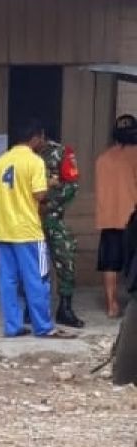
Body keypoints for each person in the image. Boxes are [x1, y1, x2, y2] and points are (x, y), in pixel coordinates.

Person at [0, 120, 75, 339]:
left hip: (3, 231)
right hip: (28, 231)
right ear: (35, 138)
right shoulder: (34, 161)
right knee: (38, 278)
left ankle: (12, 326)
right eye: (41, 139)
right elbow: (38, 195)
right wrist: (51, 184)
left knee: (8, 281)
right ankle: (44, 327)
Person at [94, 114, 137, 319]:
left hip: (109, 218)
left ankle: (112, 305)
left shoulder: (102, 159)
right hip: (132, 218)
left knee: (110, 263)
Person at [39, 136, 84, 327]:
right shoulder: (20, 154)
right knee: (31, 265)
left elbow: (72, 186)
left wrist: (48, 204)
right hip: (26, 220)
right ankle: (31, 309)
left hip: (52, 218)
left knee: (66, 257)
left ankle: (65, 308)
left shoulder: (61, 152)